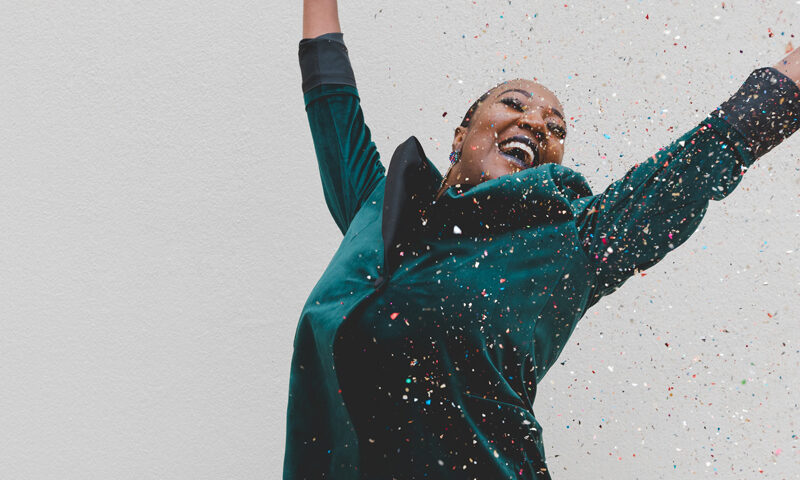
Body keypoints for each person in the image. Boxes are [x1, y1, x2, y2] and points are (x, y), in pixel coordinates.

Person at [284, 1, 800, 478]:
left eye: (555, 128)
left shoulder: (569, 243)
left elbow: (695, 164)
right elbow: (331, 95)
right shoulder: (376, 207)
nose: (534, 123)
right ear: (462, 132)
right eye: (514, 103)